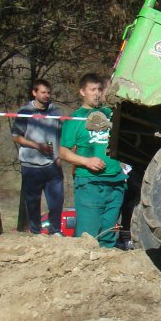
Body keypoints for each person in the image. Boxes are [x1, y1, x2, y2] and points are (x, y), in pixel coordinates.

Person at [59, 73, 127, 248]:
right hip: (90, 184)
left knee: (108, 237)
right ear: (82, 92)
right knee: (88, 237)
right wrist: (86, 161)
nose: (97, 93)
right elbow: (63, 152)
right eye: (92, 90)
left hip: (116, 183)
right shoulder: (76, 119)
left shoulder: (111, 114)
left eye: (99, 89)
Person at [11, 79, 64, 235]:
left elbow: (60, 135)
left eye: (48, 92)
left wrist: (59, 155)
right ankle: (35, 231)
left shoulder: (55, 112)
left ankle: (55, 231)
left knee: (56, 201)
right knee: (32, 202)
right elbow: (16, 136)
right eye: (43, 92)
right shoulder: (25, 112)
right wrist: (37, 146)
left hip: (52, 164)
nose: (46, 95)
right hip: (31, 165)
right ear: (34, 93)